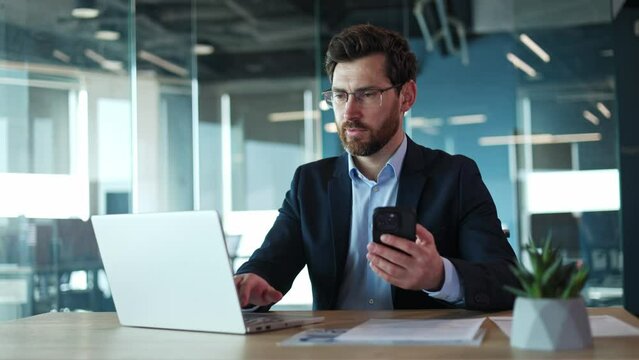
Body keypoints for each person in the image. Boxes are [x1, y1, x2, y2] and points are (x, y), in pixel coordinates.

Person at [234, 24, 519, 311]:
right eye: (339, 95)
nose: (349, 112)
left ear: (406, 97)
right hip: (334, 348)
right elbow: (270, 262)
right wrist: (251, 282)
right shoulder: (310, 183)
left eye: (367, 94)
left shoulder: (455, 177)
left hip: (422, 350)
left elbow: (508, 280)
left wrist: (440, 276)